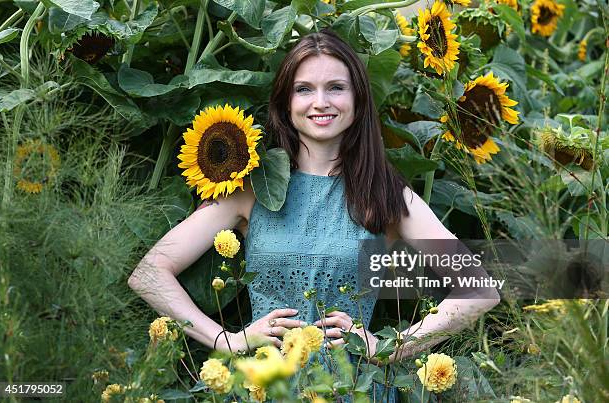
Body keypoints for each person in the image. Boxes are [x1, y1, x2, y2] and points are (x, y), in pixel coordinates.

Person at [128, 28, 500, 401]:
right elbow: (149, 272)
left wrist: (393, 347)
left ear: (357, 99)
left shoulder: (384, 194)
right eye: (304, 89)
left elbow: (479, 289)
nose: (320, 102)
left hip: (350, 390)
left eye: (336, 87)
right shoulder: (252, 189)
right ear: (286, 102)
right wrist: (228, 340)